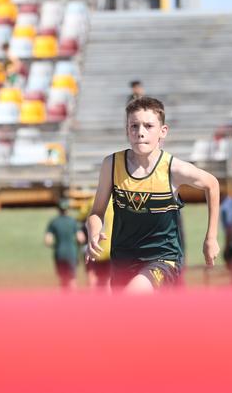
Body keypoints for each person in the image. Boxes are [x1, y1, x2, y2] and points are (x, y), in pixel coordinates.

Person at [86, 96, 220, 293]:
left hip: (162, 259)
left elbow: (212, 184)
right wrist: (94, 232)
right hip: (122, 259)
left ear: (162, 131)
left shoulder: (173, 169)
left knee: (132, 298)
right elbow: (96, 212)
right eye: (134, 126)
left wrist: (211, 237)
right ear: (127, 130)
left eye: (148, 126)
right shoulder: (111, 165)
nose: (140, 132)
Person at [45, 198, 81, 290]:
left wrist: (56, 245)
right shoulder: (73, 221)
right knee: (72, 279)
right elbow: (80, 238)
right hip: (71, 253)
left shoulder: (53, 222)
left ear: (58, 209)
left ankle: (64, 302)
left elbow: (48, 241)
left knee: (63, 279)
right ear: (68, 208)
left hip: (59, 253)